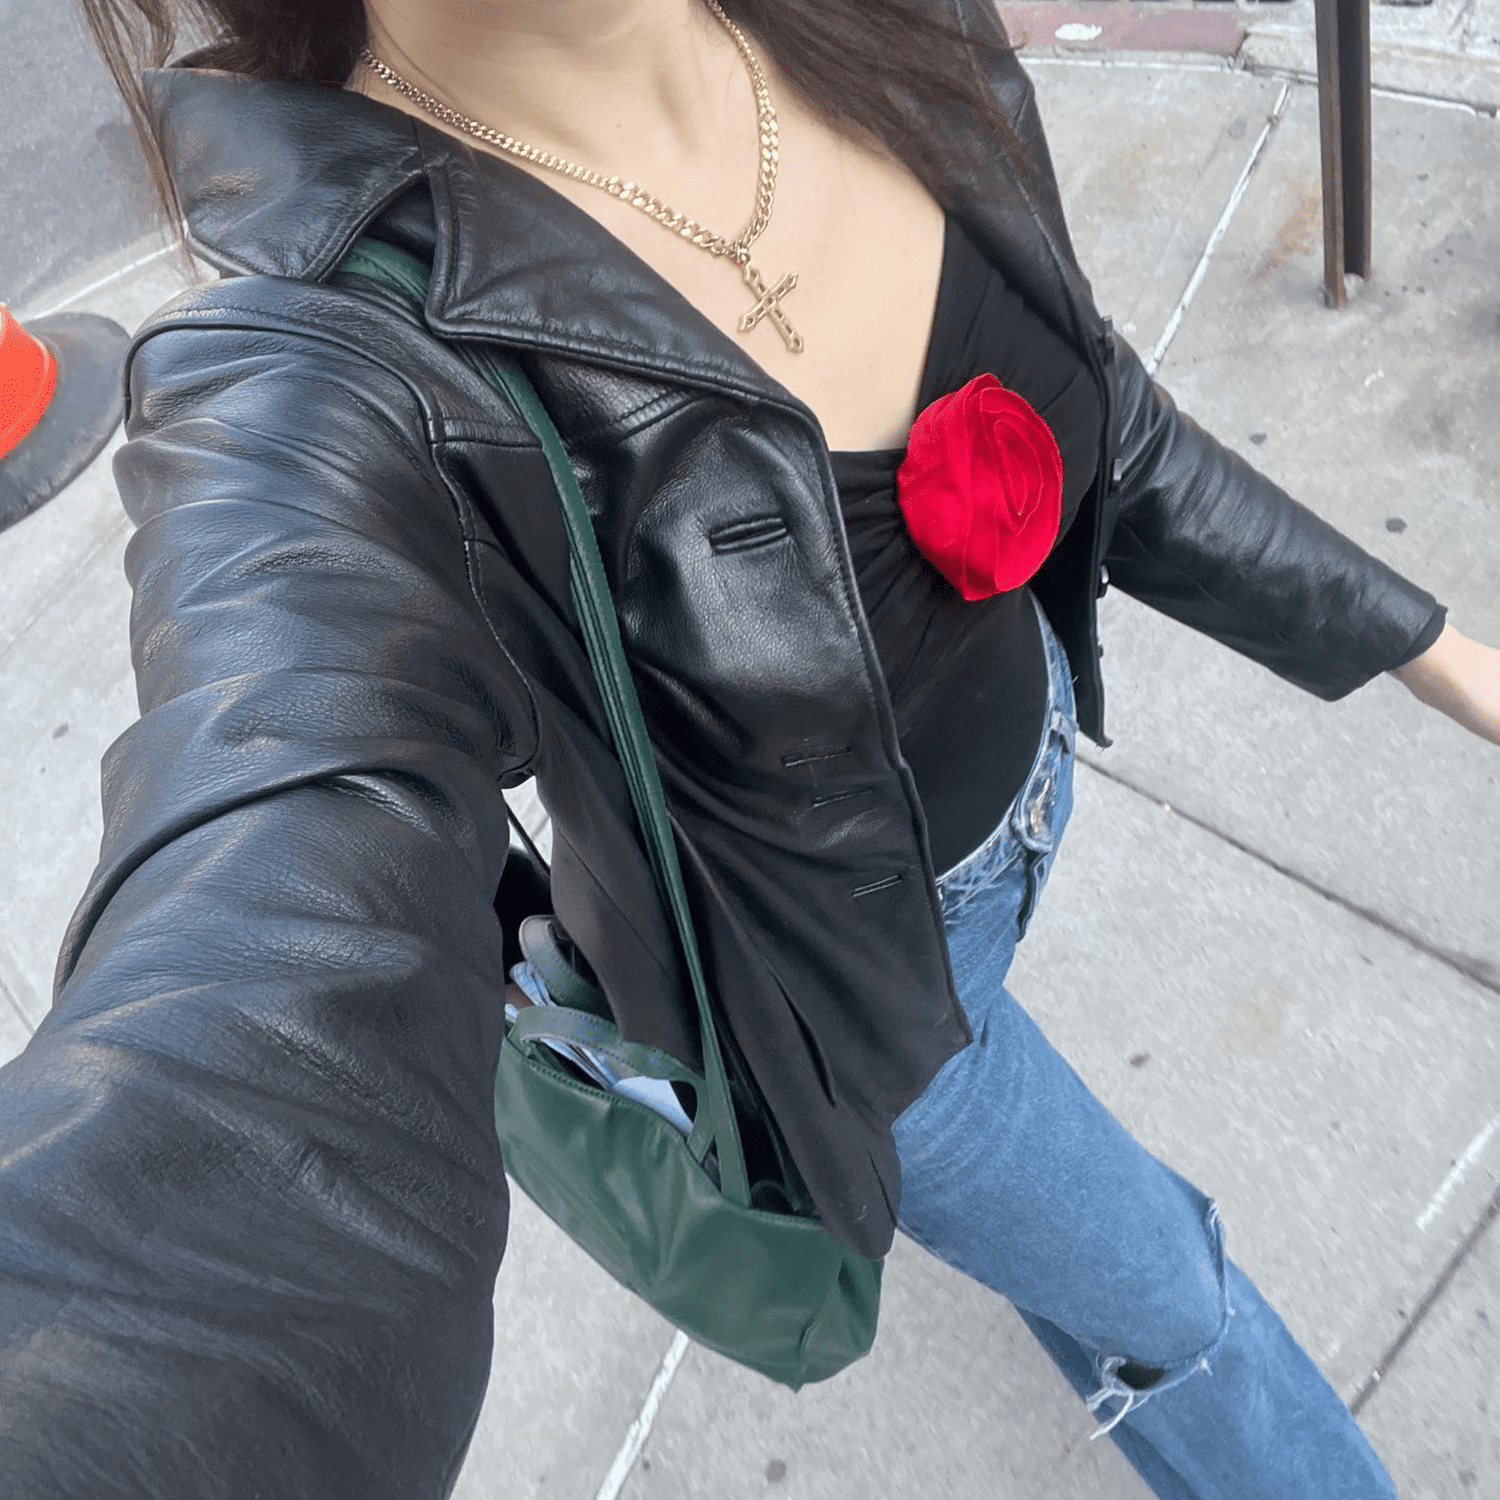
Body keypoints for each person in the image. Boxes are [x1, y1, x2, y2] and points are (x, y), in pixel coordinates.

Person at [2, 0, 1496, 1495]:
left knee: (1094, 1262)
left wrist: (1440, 653)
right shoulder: (329, 355)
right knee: (1174, 1300)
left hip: (1029, 773)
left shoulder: (880, 22)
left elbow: (1104, 414)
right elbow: (258, 906)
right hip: (859, 1016)